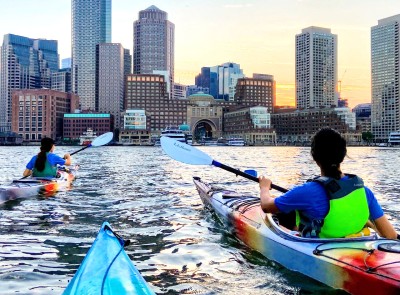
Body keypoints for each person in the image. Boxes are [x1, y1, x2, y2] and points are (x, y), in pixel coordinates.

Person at [259, 127, 397, 239]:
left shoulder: (307, 191)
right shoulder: (364, 191)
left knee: (286, 213)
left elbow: (266, 206)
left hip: (321, 251)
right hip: (358, 249)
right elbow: (390, 235)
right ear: (343, 156)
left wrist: (264, 187)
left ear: (314, 156)